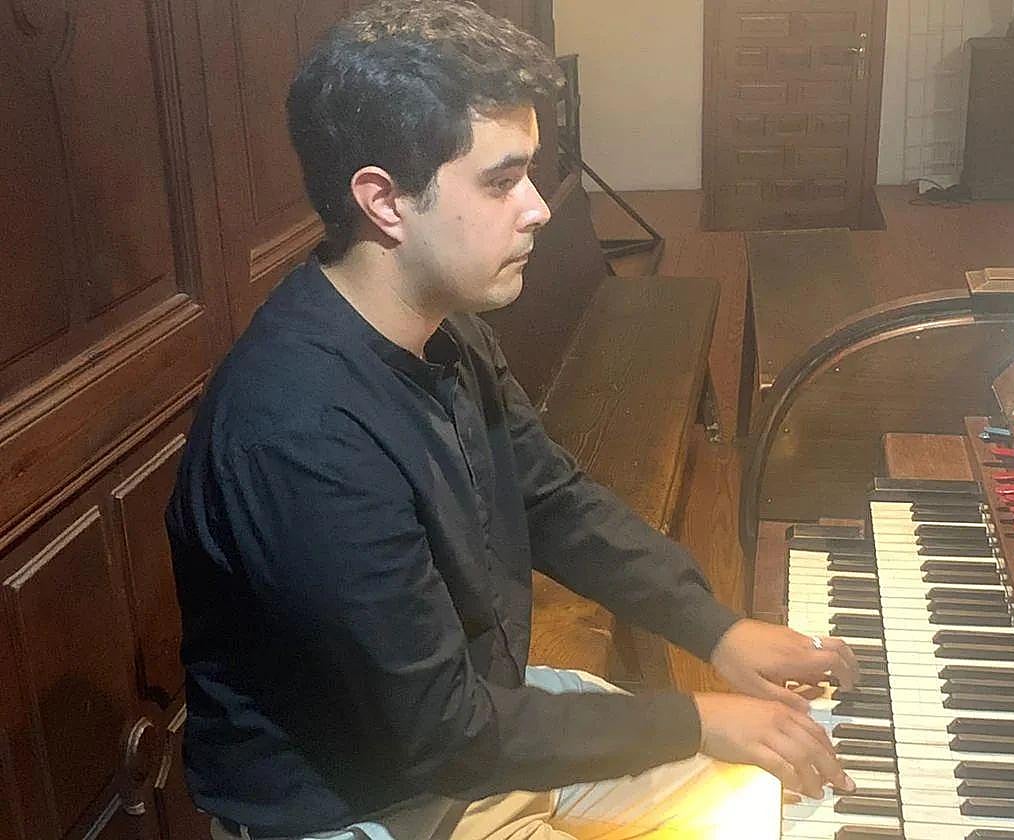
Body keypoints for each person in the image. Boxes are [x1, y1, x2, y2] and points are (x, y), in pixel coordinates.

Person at [166, 2, 860, 838]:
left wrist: (714, 629)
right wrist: (697, 718)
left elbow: (552, 499)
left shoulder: (446, 328)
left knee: (778, 789)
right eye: (501, 180)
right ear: (385, 201)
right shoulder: (299, 432)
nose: (536, 206)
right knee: (738, 771)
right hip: (367, 803)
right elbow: (440, 735)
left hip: (473, 727)